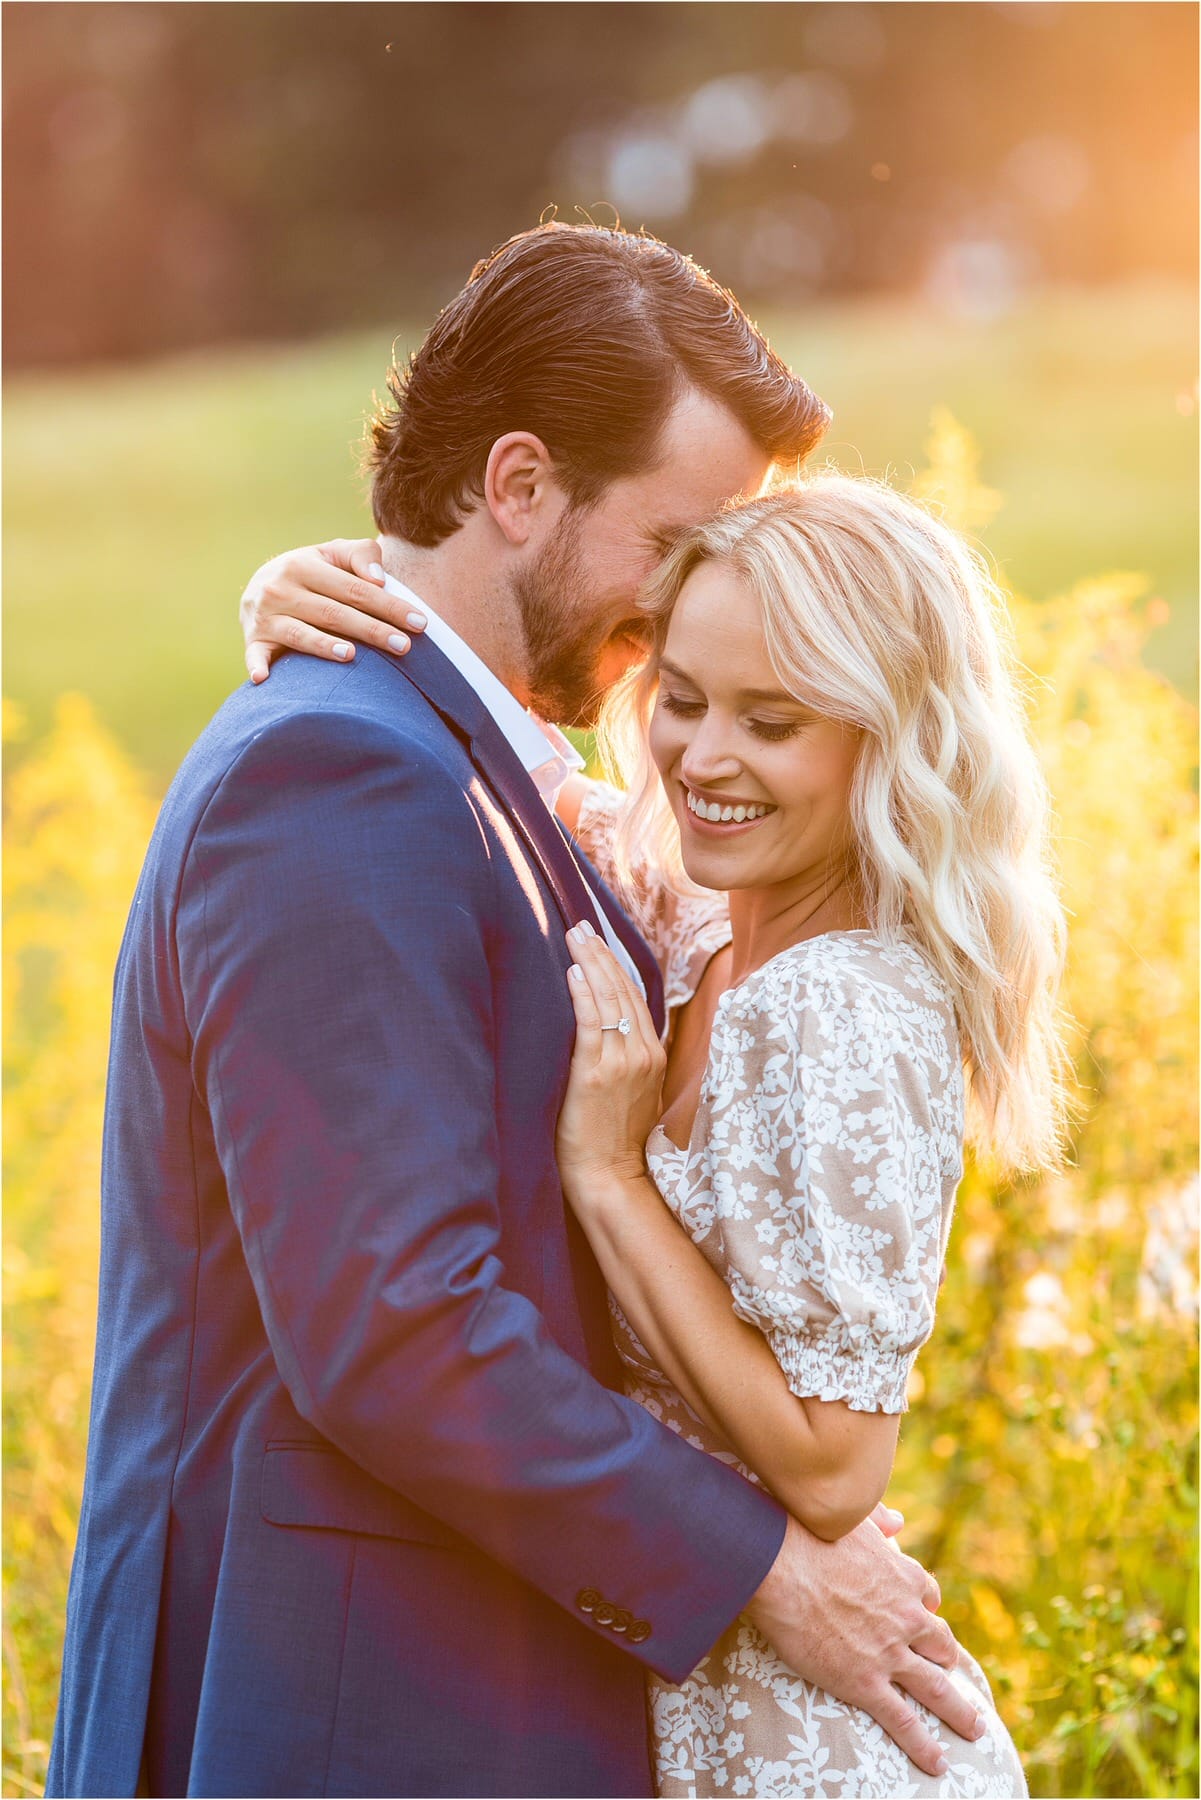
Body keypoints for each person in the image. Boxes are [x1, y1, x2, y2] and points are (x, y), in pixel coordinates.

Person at [47, 225, 982, 1800]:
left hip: (460, 1681)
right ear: (521, 484)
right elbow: (394, 1322)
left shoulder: (479, 764)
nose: (693, 601)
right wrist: (757, 1563)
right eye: (675, 538)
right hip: (339, 1712)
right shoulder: (336, 769)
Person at [243, 472, 1067, 1797]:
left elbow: (835, 1465)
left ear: (887, 739)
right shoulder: (707, 928)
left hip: (821, 1745)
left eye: (773, 721)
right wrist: (304, 587)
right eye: (680, 699)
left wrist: (612, 1177)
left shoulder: (841, 1009)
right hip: (702, 1691)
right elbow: (540, 779)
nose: (701, 757)